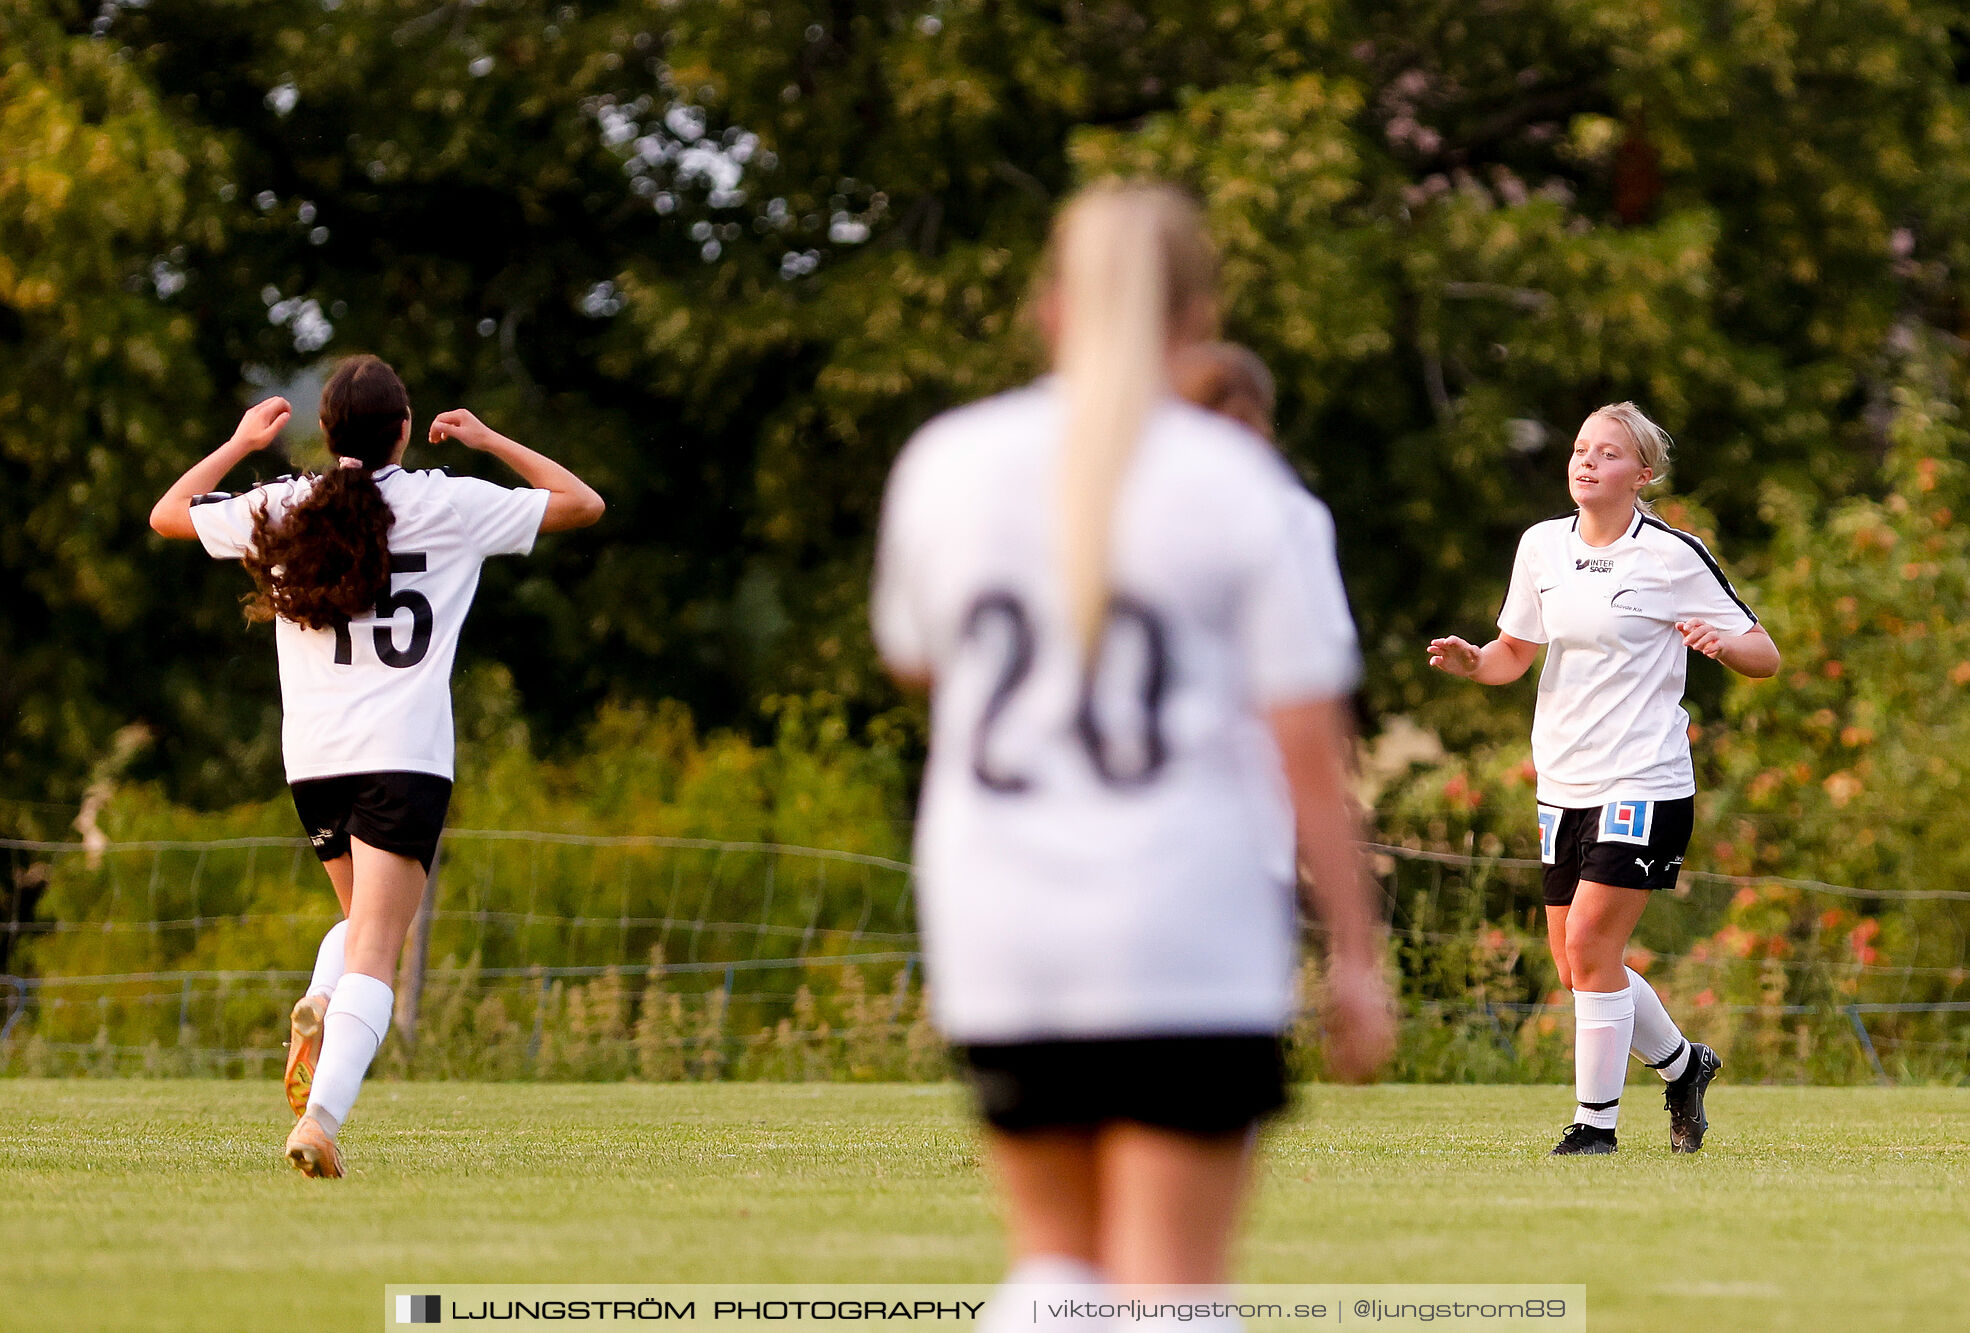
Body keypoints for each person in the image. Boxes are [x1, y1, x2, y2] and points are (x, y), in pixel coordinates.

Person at [870, 181, 1393, 1320]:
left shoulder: (945, 463)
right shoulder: (1236, 484)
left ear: (1049, 310)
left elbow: (917, 655)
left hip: (1001, 913)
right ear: (1196, 318)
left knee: (1055, 1267)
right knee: (1172, 1285)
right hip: (1180, 917)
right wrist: (1355, 951)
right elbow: (1306, 746)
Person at [150, 355, 604, 1177]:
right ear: (404, 427)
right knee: (379, 951)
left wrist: (240, 441)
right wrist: (487, 437)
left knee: (362, 930)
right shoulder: (445, 500)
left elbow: (167, 514)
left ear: (326, 434)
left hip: (315, 762)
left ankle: (323, 1000)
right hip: (405, 759)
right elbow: (584, 503)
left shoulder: (285, 504)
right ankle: (320, 1118)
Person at [1426, 402, 1779, 1156]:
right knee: (1580, 964)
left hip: (1645, 780)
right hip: (1564, 784)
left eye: (1608, 454)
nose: (1586, 462)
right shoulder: (1541, 546)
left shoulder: (1673, 554)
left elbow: (1765, 653)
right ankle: (1685, 1066)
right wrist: (1472, 660)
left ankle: (1595, 1128)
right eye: (1581, 449)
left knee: (1589, 943)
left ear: (1642, 475)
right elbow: (1511, 653)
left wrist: (1721, 643)